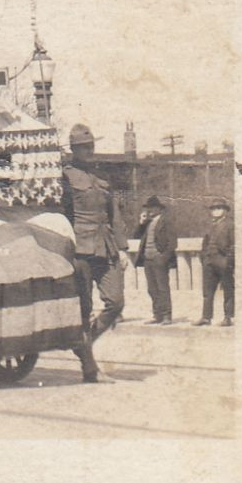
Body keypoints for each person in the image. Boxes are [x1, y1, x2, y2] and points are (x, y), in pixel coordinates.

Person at [60, 124, 120, 383]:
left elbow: (114, 214)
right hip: (80, 249)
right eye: (84, 147)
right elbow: (61, 215)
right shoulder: (65, 177)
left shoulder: (102, 178)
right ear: (73, 150)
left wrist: (123, 248)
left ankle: (83, 344)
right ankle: (89, 366)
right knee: (83, 309)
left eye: (91, 146)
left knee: (116, 302)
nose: (89, 151)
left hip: (106, 248)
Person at [133, 196, 177, 324]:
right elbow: (136, 236)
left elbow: (173, 242)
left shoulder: (166, 221)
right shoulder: (147, 223)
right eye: (148, 208)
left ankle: (166, 316)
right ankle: (157, 315)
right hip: (147, 259)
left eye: (152, 208)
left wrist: (163, 258)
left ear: (159, 209)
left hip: (159, 259)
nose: (150, 210)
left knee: (163, 288)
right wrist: (141, 223)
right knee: (152, 289)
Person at [196, 197, 235, 327]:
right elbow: (205, 243)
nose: (216, 211)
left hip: (223, 261)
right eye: (213, 208)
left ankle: (228, 317)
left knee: (228, 290)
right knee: (207, 291)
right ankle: (206, 317)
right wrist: (204, 258)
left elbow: (234, 245)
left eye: (219, 208)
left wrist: (228, 260)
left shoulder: (230, 225)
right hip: (209, 261)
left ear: (225, 210)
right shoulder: (210, 225)